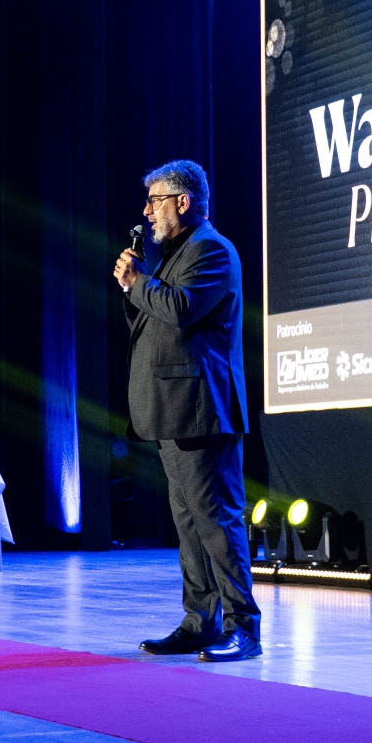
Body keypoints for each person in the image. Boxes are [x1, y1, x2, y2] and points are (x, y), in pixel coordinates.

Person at [113, 159, 261, 662]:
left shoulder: (211, 250)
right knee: (190, 526)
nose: (147, 211)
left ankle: (243, 627)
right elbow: (155, 320)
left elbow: (180, 310)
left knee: (217, 521)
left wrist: (139, 283)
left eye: (154, 201)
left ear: (183, 201)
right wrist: (134, 288)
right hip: (173, 411)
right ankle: (200, 622)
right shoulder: (176, 254)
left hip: (202, 410)